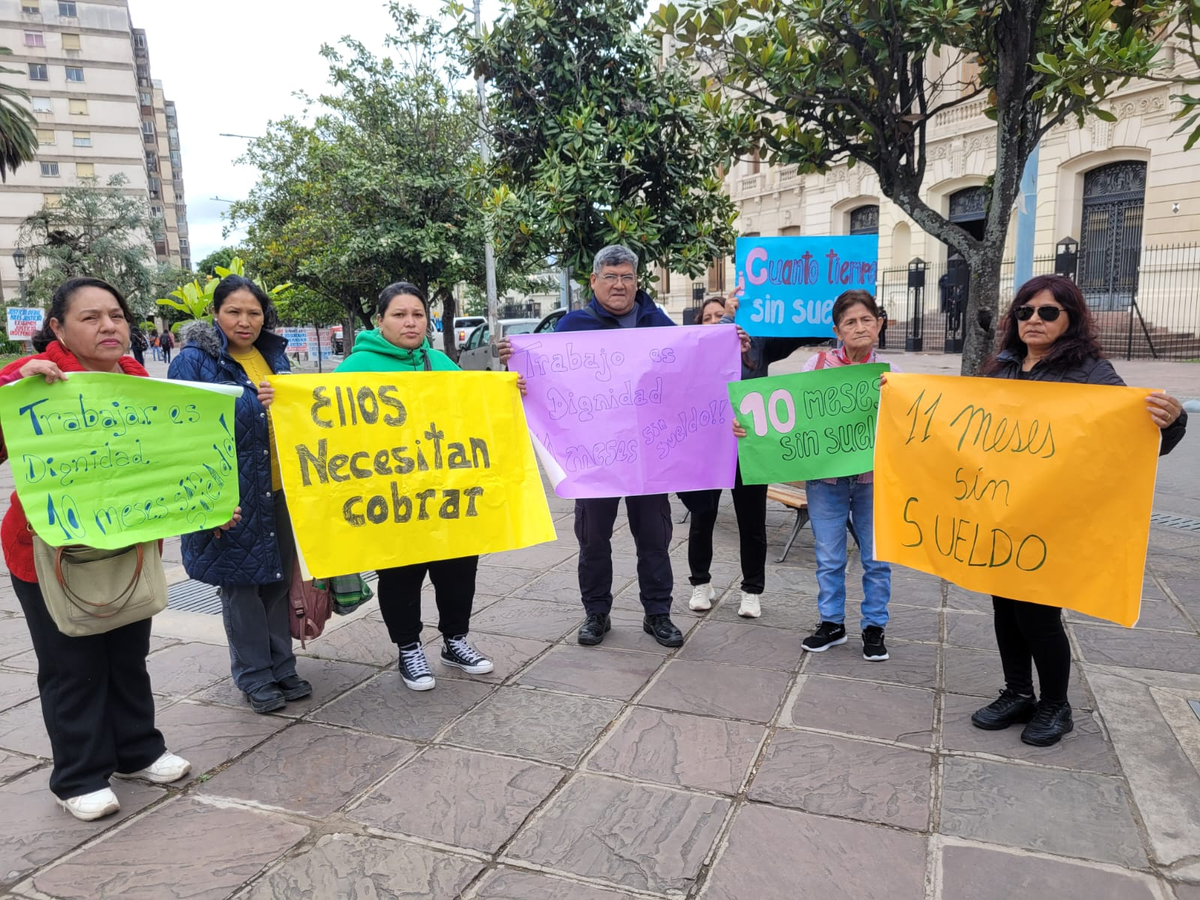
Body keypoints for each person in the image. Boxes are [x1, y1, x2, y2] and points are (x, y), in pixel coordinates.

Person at [0, 278, 194, 821]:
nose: (108, 326)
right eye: (90, 318)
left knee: (128, 656)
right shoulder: (31, 383)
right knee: (72, 665)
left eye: (116, 315)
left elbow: (172, 462)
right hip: (53, 553)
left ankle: (138, 751)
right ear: (57, 329)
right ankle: (79, 776)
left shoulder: (140, 381)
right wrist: (13, 381)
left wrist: (206, 500)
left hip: (128, 547)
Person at [970, 274, 1187, 746]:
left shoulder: (1091, 371)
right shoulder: (1002, 367)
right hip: (1003, 511)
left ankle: (1055, 705)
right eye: (1025, 311)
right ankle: (1017, 693)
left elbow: (1139, 436)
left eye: (1048, 312)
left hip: (1054, 516)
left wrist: (1173, 422)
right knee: (1004, 605)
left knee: (1038, 613)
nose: (1034, 320)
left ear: (1070, 319)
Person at [333, 282, 494, 690]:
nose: (410, 322)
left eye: (418, 315)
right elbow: (324, 422)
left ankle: (455, 640)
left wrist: (510, 392)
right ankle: (409, 648)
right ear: (381, 320)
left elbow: (476, 410)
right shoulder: (355, 369)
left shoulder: (440, 362)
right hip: (391, 498)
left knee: (459, 570)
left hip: (446, 493)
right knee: (400, 575)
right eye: (400, 315)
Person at [168, 275, 311, 715]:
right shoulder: (194, 362)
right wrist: (204, 502)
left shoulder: (274, 356)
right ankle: (253, 675)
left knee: (275, 581)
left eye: (254, 313)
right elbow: (180, 436)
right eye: (234, 311)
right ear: (215, 314)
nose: (245, 321)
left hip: (278, 490)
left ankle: (281, 664)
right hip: (230, 496)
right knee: (241, 589)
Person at [739, 289, 894, 661]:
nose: (859, 328)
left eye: (866, 320)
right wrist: (749, 426)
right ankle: (832, 623)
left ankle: (874, 626)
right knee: (829, 555)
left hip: (875, 481)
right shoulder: (817, 367)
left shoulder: (892, 376)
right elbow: (789, 417)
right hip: (826, 482)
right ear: (837, 330)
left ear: (879, 324)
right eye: (850, 322)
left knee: (877, 558)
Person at [680, 292, 808, 618]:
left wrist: (828, 313)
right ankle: (700, 583)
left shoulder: (757, 345)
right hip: (708, 450)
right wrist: (724, 326)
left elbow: (801, 331)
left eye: (720, 316)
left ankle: (751, 590)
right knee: (702, 517)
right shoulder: (694, 354)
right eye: (708, 318)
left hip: (749, 449)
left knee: (752, 522)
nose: (715, 322)